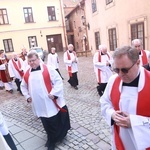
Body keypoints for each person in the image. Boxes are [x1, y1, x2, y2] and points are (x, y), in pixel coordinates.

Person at [100, 45, 150, 150]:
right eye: (117, 70)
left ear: (137, 63)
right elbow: (104, 103)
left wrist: (135, 122)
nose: (121, 75)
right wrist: (112, 114)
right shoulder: (113, 80)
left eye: (125, 70)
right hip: (120, 138)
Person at [21, 50, 70, 150]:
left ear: (38, 59)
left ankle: (53, 140)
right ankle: (50, 138)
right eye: (29, 61)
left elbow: (58, 81)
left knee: (52, 121)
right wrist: (27, 96)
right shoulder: (27, 73)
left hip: (49, 102)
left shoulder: (48, 69)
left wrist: (54, 93)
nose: (31, 63)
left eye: (33, 60)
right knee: (45, 122)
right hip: (38, 104)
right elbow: (23, 86)